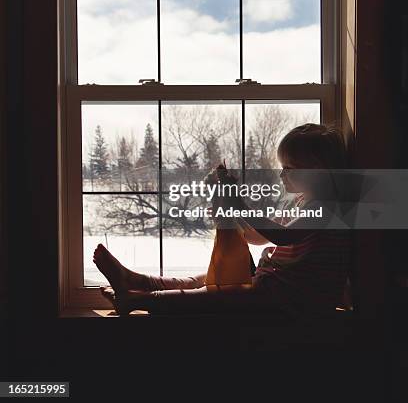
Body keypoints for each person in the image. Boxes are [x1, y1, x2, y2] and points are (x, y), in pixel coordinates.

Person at [93, 122, 352, 317]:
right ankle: (139, 282)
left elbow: (283, 236)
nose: (282, 175)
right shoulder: (300, 203)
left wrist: (238, 204)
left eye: (290, 168)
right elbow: (256, 236)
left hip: (296, 300)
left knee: (215, 293)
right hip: (276, 286)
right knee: (208, 278)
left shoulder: (328, 209)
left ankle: (138, 300)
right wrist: (228, 213)